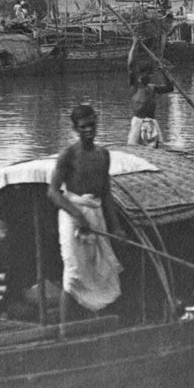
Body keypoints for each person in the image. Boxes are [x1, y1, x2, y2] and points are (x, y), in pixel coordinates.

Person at [47, 104, 123, 323]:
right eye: (83, 127)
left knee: (101, 271)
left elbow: (106, 192)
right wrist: (78, 216)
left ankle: (97, 323)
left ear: (97, 123)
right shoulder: (68, 155)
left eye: (92, 125)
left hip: (95, 213)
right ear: (75, 128)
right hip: (72, 215)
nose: (88, 131)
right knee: (73, 273)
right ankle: (63, 331)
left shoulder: (103, 154)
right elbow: (53, 192)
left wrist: (116, 226)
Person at [127, 39, 174, 147]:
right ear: (140, 75)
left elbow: (169, 88)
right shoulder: (134, 86)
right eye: (147, 74)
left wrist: (164, 72)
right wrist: (134, 45)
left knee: (158, 147)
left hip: (152, 122)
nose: (150, 77)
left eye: (151, 74)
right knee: (133, 147)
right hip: (138, 122)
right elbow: (130, 64)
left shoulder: (153, 88)